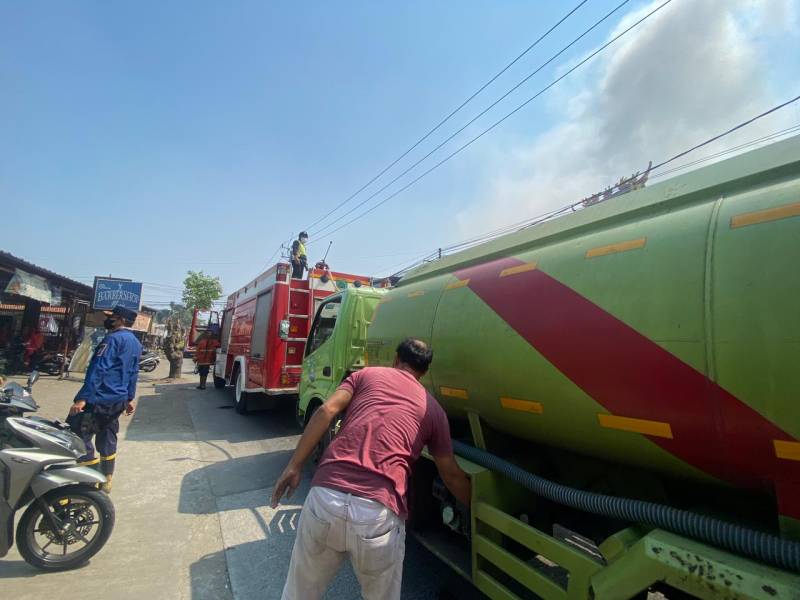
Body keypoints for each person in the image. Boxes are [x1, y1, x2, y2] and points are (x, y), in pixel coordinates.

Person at [271, 338, 471, 600]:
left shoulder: (365, 375)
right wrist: (474, 509)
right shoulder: (433, 409)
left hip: (326, 498)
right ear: (424, 372)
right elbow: (451, 474)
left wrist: (294, 466)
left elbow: (325, 411)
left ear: (396, 359)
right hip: (377, 514)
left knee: (299, 593)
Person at [67, 306, 142, 493]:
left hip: (99, 398)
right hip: (118, 400)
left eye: (112, 317)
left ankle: (89, 480)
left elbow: (99, 368)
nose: (108, 320)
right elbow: (133, 373)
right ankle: (107, 479)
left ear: (121, 320)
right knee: (107, 437)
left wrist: (83, 398)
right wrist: (129, 397)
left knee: (79, 436)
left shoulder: (112, 339)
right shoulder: (135, 343)